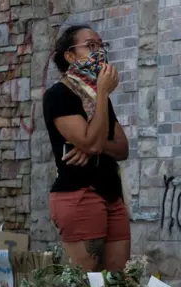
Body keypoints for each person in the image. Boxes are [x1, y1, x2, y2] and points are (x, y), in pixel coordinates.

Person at [43, 25, 130, 272]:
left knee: (119, 284)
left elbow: (122, 148)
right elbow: (92, 141)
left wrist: (94, 147)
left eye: (100, 45)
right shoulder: (59, 95)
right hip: (79, 193)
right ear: (70, 55)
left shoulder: (97, 97)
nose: (99, 52)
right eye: (90, 45)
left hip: (111, 194)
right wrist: (102, 93)